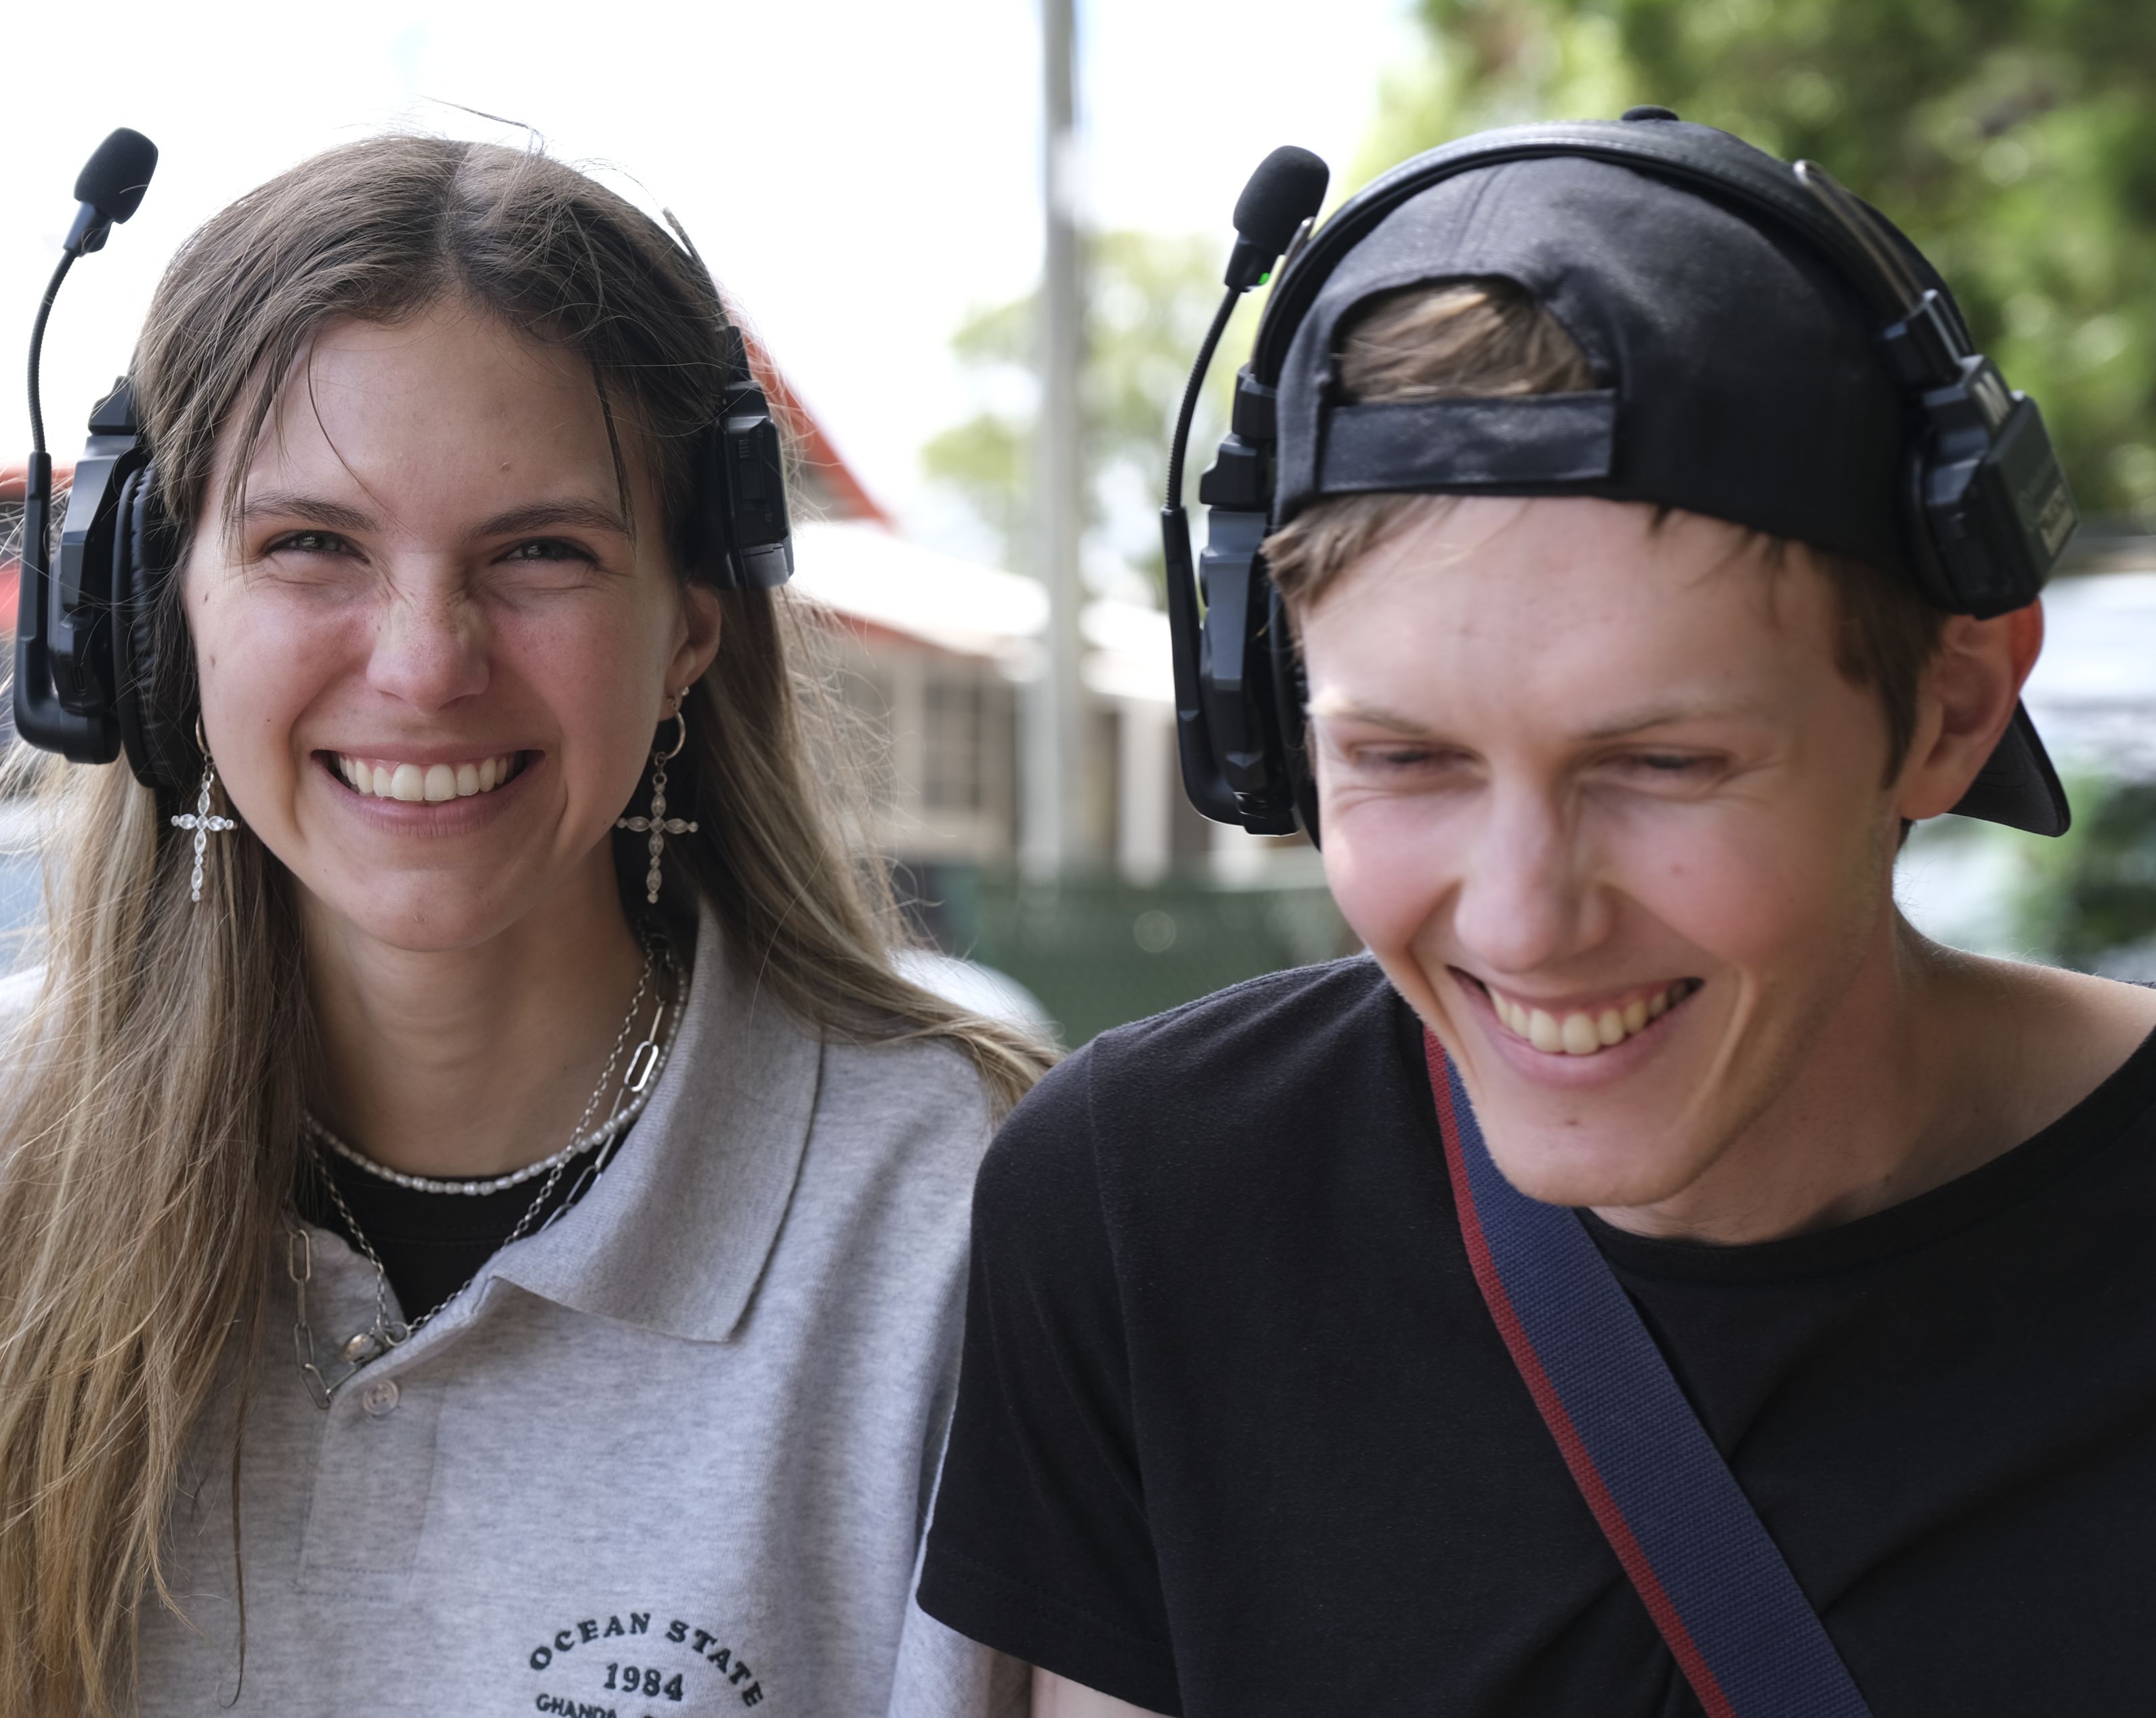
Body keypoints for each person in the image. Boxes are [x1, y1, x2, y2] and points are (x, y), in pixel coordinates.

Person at [0, 133, 1049, 1718]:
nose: (422, 661)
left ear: (688, 632)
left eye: (541, 552)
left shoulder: (961, 1218)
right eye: (310, 543)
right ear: (153, 612)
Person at [916, 118, 2156, 1717]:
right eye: (1401, 759)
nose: (1522, 918)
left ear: (1949, 711)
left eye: (1660, 761)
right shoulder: (1141, 1202)